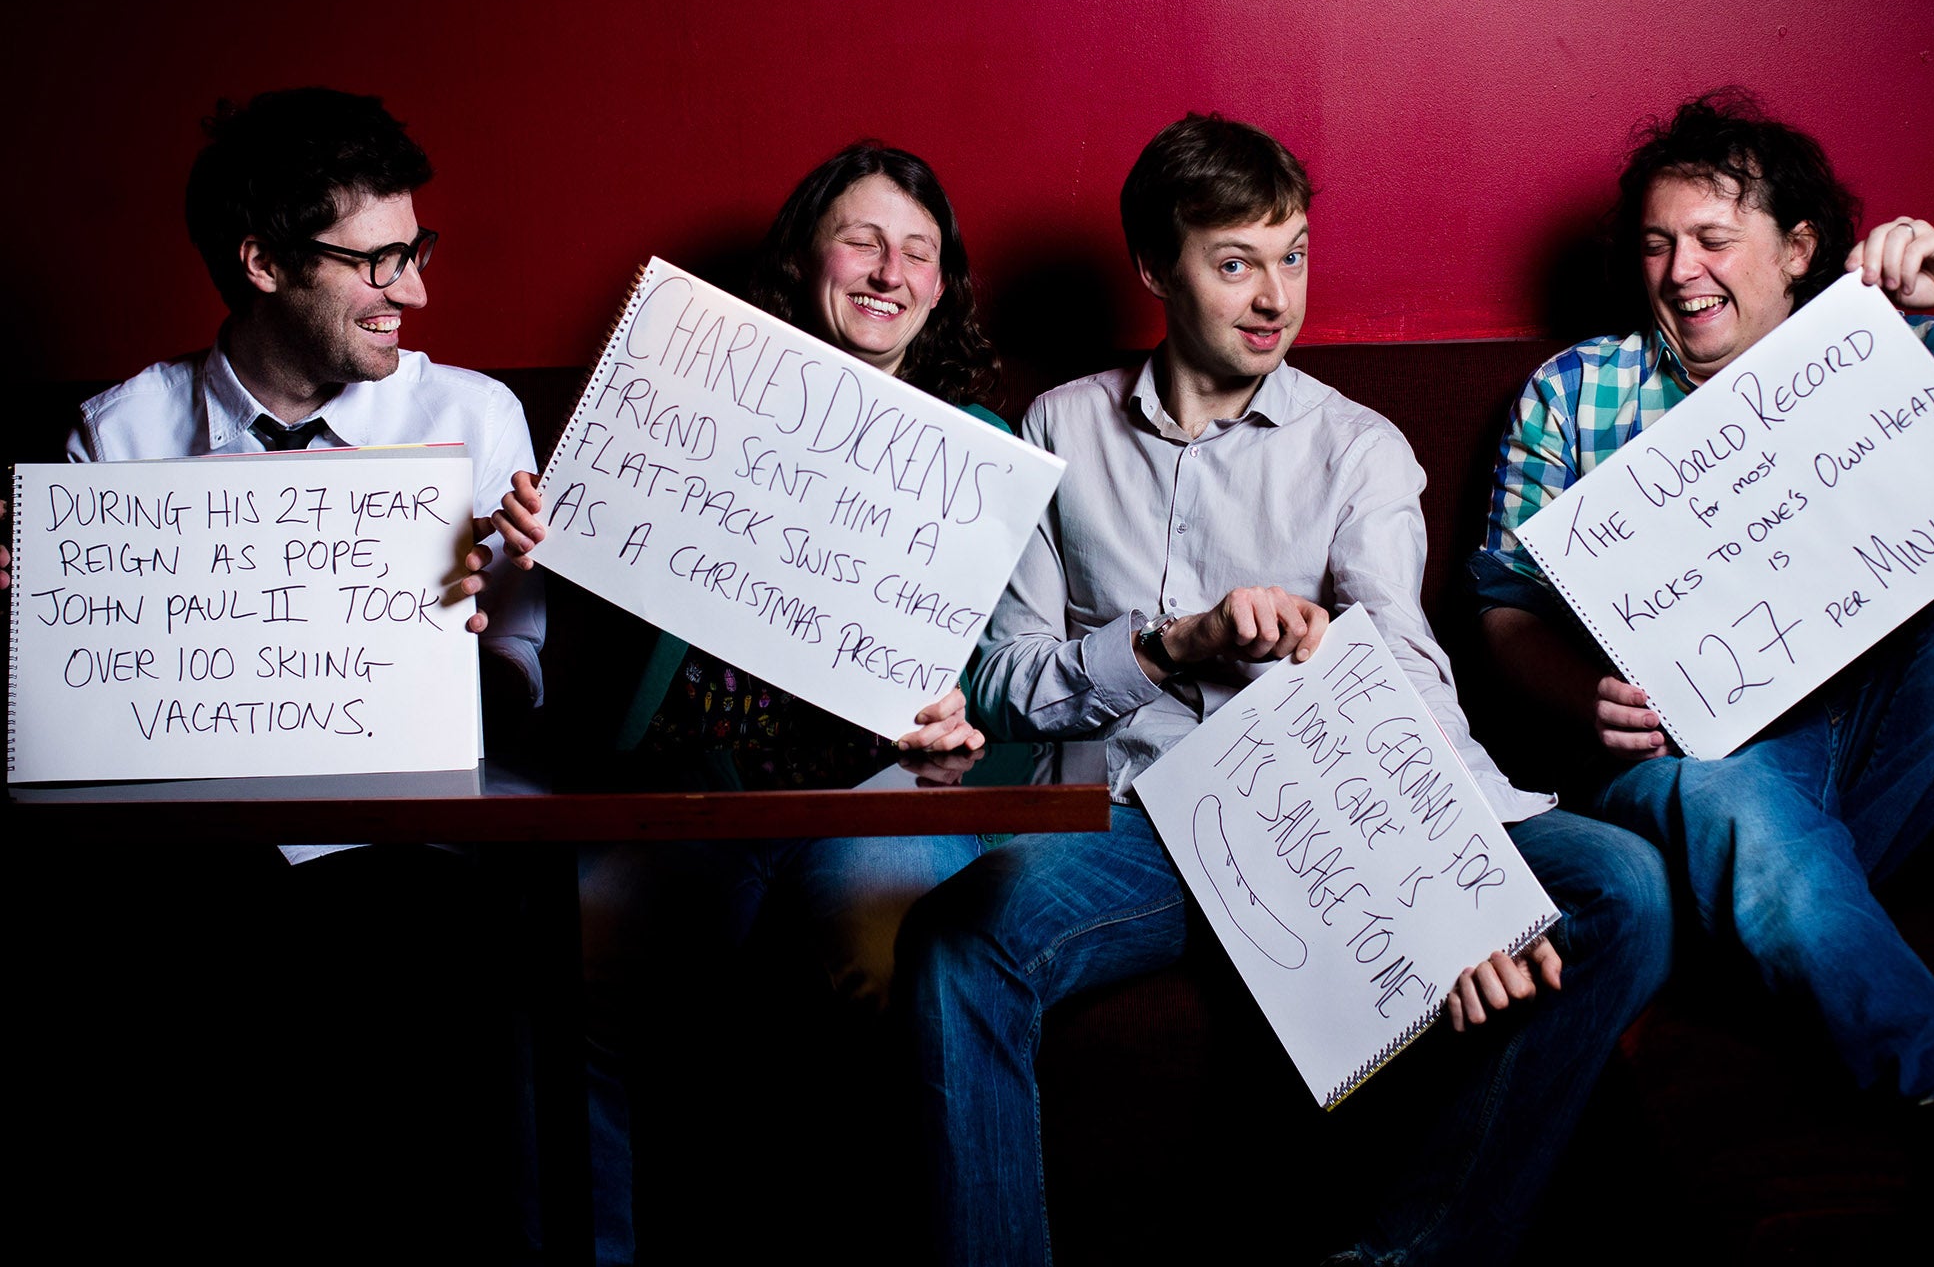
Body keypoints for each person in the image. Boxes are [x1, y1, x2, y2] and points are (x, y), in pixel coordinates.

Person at [896, 113, 1673, 1266]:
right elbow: (1008, 684)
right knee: (958, 939)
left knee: (1621, 883)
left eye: (1294, 254)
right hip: (1144, 832)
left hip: (1334, 832)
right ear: (1155, 270)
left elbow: (1406, 667)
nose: (1275, 298)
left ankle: (1398, 1258)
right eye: (1234, 262)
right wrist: (1170, 647)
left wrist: (1438, 894)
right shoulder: (1058, 430)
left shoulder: (1355, 449)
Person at [1472, 88, 1934, 1225]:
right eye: (1654, 243)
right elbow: (1498, 614)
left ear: (1795, 250)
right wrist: (1583, 698)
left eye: (1710, 239)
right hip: (1705, 757)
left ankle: (1757, 922)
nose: (1679, 269)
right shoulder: (1574, 389)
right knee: (1721, 795)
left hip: (1904, 736)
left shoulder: (1888, 340)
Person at [18, 86, 542, 1257]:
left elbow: (524, 695)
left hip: (417, 863)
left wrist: (477, 627)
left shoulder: (475, 417)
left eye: (416, 251)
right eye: (378, 261)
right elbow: (94, 732)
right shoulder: (120, 436)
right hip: (194, 873)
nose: (415, 291)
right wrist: (33, 628)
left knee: (416, 932)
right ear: (261, 262)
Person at [493, 140, 1006, 1262]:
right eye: (862, 240)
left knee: (874, 945)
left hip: (879, 792)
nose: (888, 271)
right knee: (557, 961)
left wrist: (964, 712)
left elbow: (1014, 671)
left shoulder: (981, 455)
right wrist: (538, 538)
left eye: (918, 253)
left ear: (942, 286)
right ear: (807, 255)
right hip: (694, 794)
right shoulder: (681, 399)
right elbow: (588, 592)